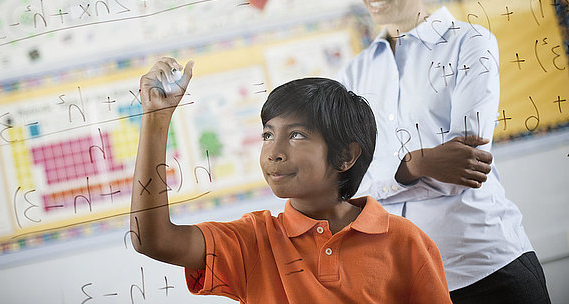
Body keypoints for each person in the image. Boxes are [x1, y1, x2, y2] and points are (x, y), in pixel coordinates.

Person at [336, 0, 551, 303]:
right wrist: (413, 166)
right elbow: (344, 184)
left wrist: (386, 175)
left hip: (488, 264)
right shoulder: (353, 74)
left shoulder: (470, 43)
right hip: (411, 284)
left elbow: (464, 166)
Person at [130, 57, 452, 303]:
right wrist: (156, 121)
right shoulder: (253, 241)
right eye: (268, 135)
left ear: (345, 156)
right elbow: (153, 239)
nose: (273, 152)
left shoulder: (405, 242)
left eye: (296, 135)